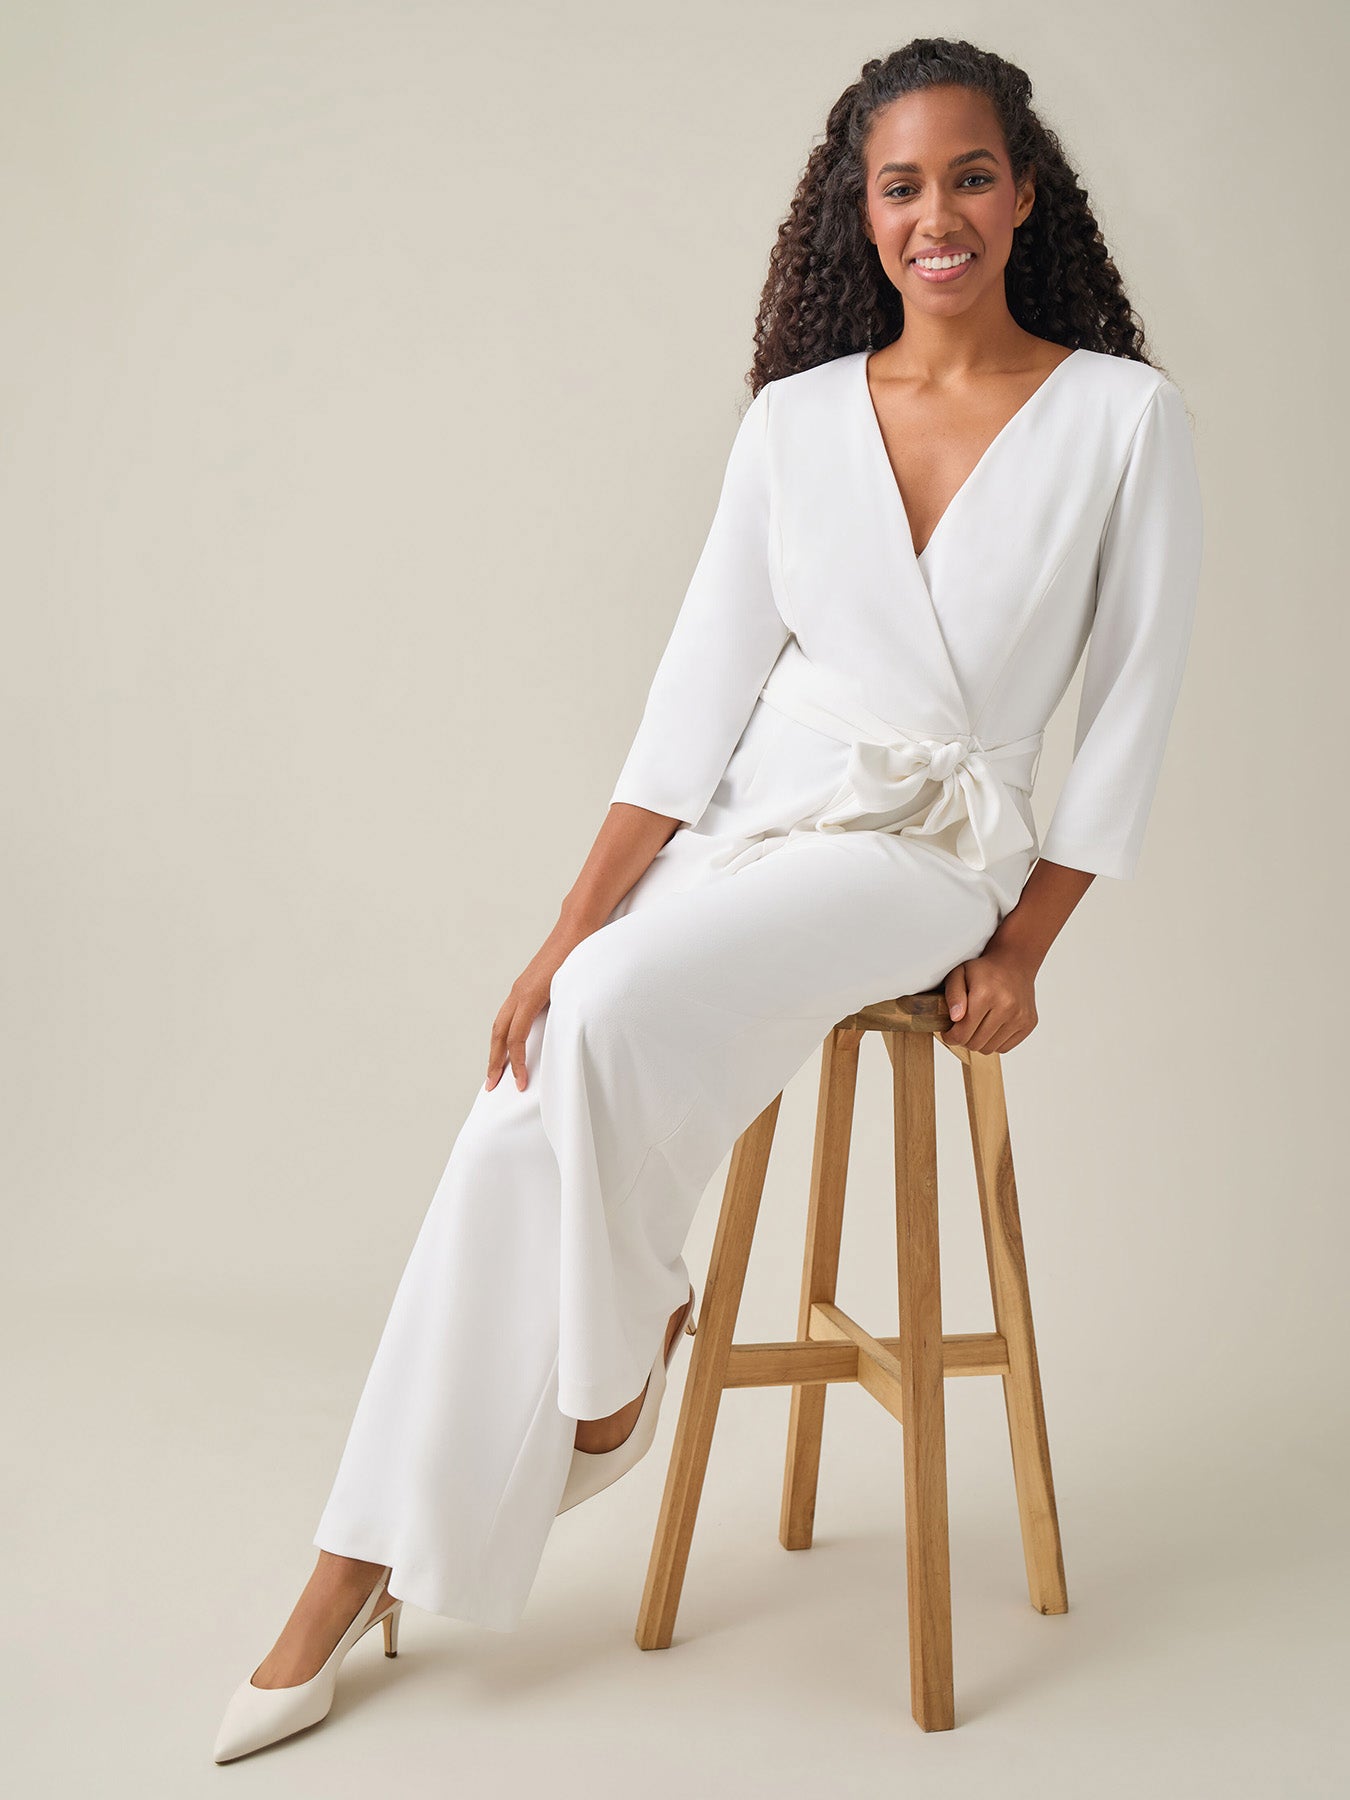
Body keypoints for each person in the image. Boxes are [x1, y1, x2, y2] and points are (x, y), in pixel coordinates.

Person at [213, 35, 1203, 1762]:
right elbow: (693, 705)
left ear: (1026, 194)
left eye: (969, 176)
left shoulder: (1123, 417)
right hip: (747, 822)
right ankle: (354, 1560)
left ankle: (607, 1378)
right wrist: (563, 927)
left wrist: (1029, 942)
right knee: (528, 1084)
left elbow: (1130, 700)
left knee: (603, 1021)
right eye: (900, 186)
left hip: (925, 851)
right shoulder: (793, 422)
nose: (937, 215)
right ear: (859, 212)